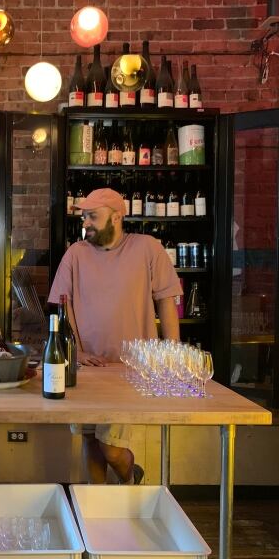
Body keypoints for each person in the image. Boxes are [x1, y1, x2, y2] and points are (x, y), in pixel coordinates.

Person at [47, 188, 181, 485]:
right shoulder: (76, 254)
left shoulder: (148, 248)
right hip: (87, 370)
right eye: (84, 217)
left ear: (117, 216)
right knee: (91, 442)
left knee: (112, 447)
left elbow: (167, 302)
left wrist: (171, 358)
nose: (87, 224)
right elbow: (62, 308)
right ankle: (95, 508)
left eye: (93, 216)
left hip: (129, 370)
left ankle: (130, 477)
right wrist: (76, 353)